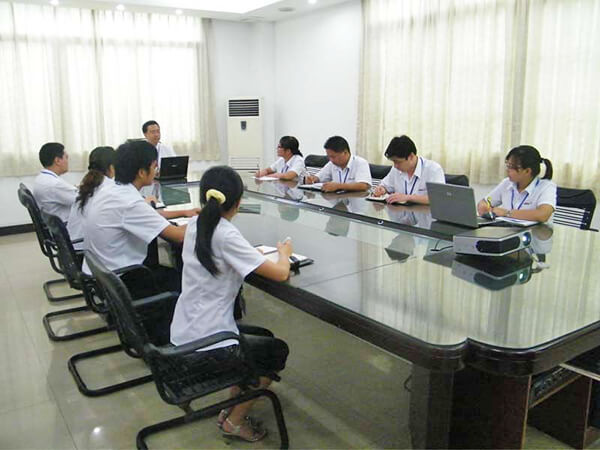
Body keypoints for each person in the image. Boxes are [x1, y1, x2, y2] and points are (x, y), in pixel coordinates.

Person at [170, 165, 292, 442]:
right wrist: (284, 253)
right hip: (207, 342)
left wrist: (249, 254)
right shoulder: (226, 234)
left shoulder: (196, 225)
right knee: (275, 352)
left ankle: (231, 407)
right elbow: (281, 273)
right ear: (238, 202)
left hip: (185, 331)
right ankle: (234, 422)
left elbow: (224, 253)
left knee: (263, 337)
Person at [82, 140, 199, 293]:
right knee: (190, 281)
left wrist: (184, 213)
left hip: (103, 274)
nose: (156, 171)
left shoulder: (111, 190)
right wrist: (207, 218)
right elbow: (178, 236)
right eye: (154, 167)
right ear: (142, 172)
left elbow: (145, 214)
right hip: (121, 281)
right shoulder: (129, 202)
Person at [477, 145, 556, 223]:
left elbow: (542, 215)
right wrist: (486, 209)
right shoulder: (507, 183)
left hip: (535, 231)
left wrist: (506, 213)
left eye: (511, 167)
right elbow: (485, 202)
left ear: (527, 171)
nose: (507, 170)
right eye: (507, 165)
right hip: (506, 229)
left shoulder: (546, 187)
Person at [371, 135, 445, 205]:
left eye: (398, 162)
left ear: (411, 157)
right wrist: (382, 189)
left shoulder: (433, 169)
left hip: (424, 213)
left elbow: (439, 198)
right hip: (399, 212)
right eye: (393, 162)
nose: (395, 166)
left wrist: (408, 197)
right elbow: (385, 186)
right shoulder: (396, 169)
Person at [67, 146, 116, 250]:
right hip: (85, 249)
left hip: (72, 246)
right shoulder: (110, 188)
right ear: (111, 167)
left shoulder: (87, 185)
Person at [304, 136, 371, 192]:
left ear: (345, 152)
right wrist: (313, 179)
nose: (331, 160)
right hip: (337, 200)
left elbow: (364, 186)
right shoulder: (332, 164)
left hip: (355, 201)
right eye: (329, 157)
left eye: (333, 157)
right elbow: (319, 177)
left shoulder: (360, 163)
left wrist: (338, 186)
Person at [32, 142, 78, 222]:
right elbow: (81, 200)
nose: (68, 161)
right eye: (66, 157)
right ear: (57, 161)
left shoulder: (42, 178)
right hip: (67, 223)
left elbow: (67, 192)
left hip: (53, 223)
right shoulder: (54, 184)